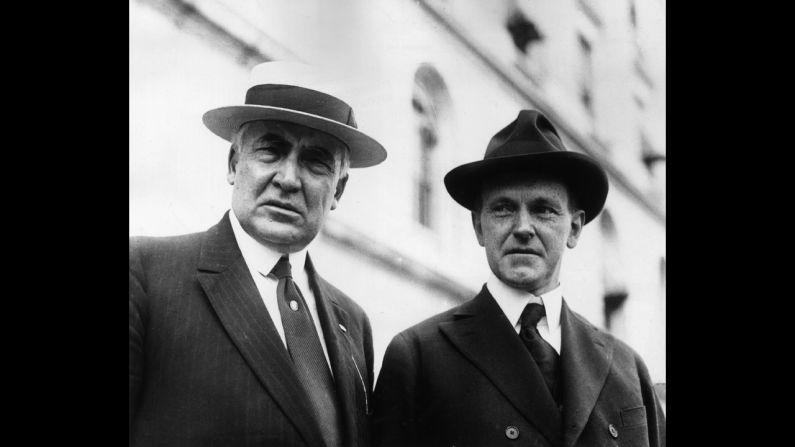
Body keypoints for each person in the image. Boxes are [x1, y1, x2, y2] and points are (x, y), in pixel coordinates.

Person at [129, 61, 387, 446]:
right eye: (271, 151)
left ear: (338, 190)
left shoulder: (353, 322)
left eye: (315, 162)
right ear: (234, 163)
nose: (288, 179)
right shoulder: (146, 274)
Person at [372, 110, 665, 447]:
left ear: (574, 227)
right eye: (504, 208)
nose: (523, 228)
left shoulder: (628, 370)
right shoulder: (418, 357)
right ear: (479, 226)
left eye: (544, 209)